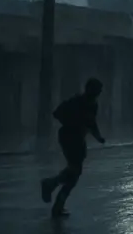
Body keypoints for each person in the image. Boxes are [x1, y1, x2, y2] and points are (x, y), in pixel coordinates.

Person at [40, 78, 106, 218]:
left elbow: (91, 123)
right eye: (97, 90)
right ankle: (51, 188)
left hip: (77, 138)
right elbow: (57, 113)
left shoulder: (92, 105)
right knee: (75, 171)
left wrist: (98, 137)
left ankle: (55, 198)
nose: (98, 93)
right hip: (70, 137)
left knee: (74, 172)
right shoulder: (77, 102)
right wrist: (72, 123)